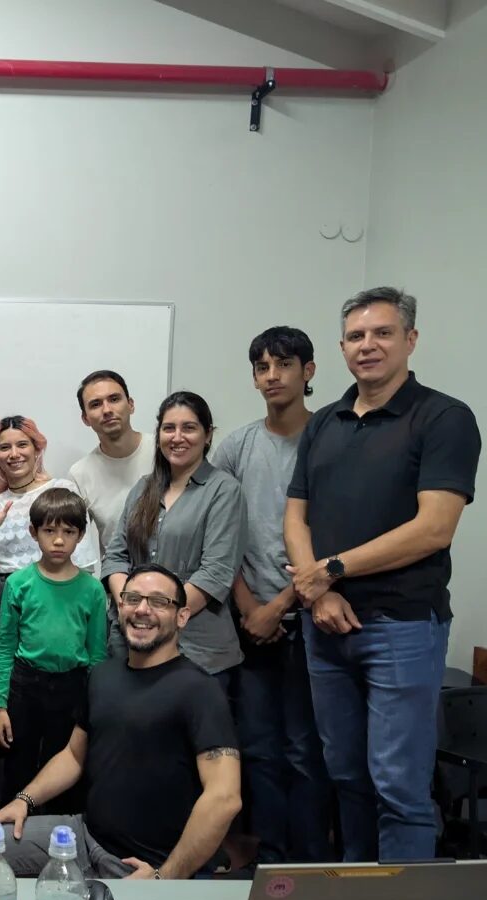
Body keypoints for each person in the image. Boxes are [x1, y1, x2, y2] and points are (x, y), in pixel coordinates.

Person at [285, 287, 480, 862]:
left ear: (410, 340)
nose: (367, 345)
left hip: (401, 626)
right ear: (342, 347)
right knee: (345, 775)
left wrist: (331, 571)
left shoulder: (443, 418)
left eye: (382, 333)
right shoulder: (325, 422)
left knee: (398, 785)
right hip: (326, 627)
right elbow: (295, 516)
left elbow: (434, 528)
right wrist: (318, 593)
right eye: (355, 336)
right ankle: (358, 899)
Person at [0, 565, 242, 879]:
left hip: (146, 865)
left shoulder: (200, 690)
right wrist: (23, 801)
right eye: (133, 599)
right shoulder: (102, 675)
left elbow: (224, 798)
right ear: (120, 607)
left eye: (158, 602)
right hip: (85, 838)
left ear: (182, 616)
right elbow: (73, 756)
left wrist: (165, 878)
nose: (142, 610)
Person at [210, 326, 333, 864]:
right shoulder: (237, 446)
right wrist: (249, 608)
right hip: (250, 621)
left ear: (309, 371)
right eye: (262, 367)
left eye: (284, 364)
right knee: (258, 747)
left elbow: (333, 534)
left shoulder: (329, 439)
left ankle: (307, 862)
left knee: (305, 749)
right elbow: (221, 534)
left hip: (312, 616)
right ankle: (270, 862)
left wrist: (282, 605)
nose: (272, 376)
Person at [103, 391, 245, 692]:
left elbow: (215, 573)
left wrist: (154, 617)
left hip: (196, 652)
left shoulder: (224, 490)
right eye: (169, 428)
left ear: (208, 435)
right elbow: (115, 557)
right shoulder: (143, 488)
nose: (177, 437)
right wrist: (131, 609)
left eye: (189, 428)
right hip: (130, 645)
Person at [0, 488, 108, 813]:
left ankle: (59, 833)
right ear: (34, 532)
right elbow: (5, 648)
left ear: (80, 536)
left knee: (64, 764)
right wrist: (0, 705)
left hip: (73, 686)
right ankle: (11, 830)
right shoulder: (18, 583)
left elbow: (97, 655)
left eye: (68, 532)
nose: (58, 540)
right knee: (17, 764)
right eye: (49, 530)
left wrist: (91, 706)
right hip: (25, 685)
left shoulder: (92, 589)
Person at [0, 414, 100, 631]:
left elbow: (83, 564)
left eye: (22, 445)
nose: (14, 454)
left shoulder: (60, 491)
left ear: (37, 449)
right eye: (5, 447)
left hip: (52, 592)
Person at [68, 370, 154, 553]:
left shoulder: (163, 452)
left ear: (131, 405)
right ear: (85, 418)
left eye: (114, 399)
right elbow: (74, 543)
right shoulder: (80, 474)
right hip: (117, 569)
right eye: (96, 404)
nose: (107, 410)